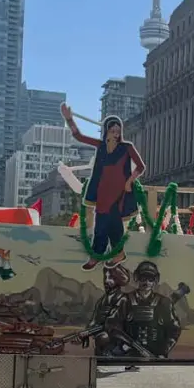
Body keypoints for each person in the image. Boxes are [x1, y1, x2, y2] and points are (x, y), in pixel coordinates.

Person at [61, 104, 146, 270]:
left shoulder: (126, 147)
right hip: (102, 192)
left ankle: (110, 254)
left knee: (112, 223)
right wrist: (69, 119)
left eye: (118, 131)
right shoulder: (101, 146)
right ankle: (102, 255)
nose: (115, 133)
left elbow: (140, 167)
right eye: (112, 130)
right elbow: (79, 137)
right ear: (106, 131)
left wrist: (130, 181)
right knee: (101, 222)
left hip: (119, 193)